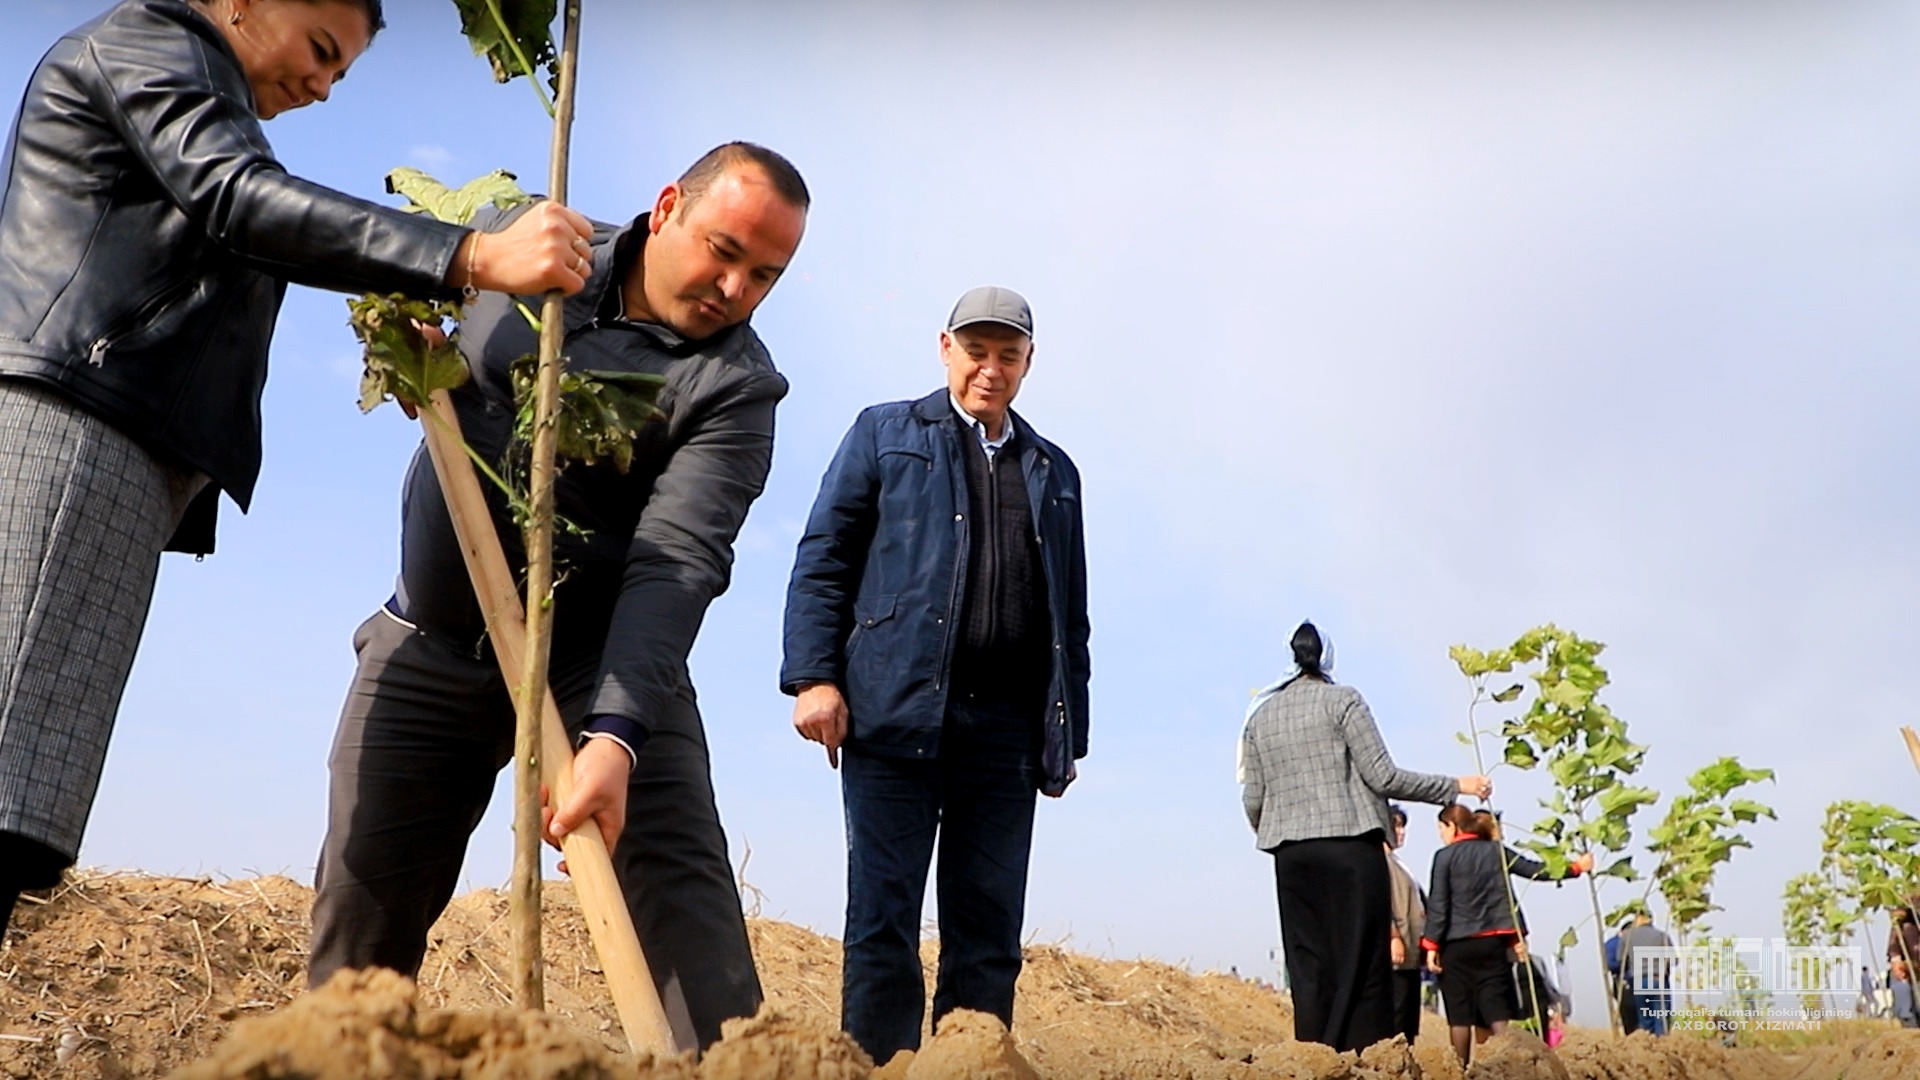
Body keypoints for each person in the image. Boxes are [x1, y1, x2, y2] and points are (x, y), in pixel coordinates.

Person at [0, 0, 593, 937]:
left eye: (339, 74)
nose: (320, 86)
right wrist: (469, 254)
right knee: (7, 787)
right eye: (320, 51)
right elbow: (242, 203)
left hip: (111, 447)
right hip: (76, 429)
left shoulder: (197, 90)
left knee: (23, 806)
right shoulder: (154, 42)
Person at [306, 143, 809, 1052]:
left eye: (765, 276)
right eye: (725, 252)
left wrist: (615, 735)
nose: (736, 289)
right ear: (668, 207)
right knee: (358, 938)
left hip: (596, 661)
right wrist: (412, 323)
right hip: (433, 638)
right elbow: (396, 257)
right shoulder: (526, 244)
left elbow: (676, 559)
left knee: (697, 949)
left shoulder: (736, 387)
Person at [780, 285, 1090, 1065]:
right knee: (883, 920)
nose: (990, 368)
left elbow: (1070, 615)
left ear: (1028, 363)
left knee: (989, 928)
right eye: (976, 351)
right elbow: (824, 557)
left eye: (1008, 355)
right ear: (945, 348)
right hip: (892, 713)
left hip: (1007, 732)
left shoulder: (1054, 471)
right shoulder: (884, 433)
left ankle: (969, 1068)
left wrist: (1068, 732)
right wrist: (813, 677)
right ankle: (878, 1070)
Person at [1239, 622, 1491, 1053]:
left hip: (1291, 856)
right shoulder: (1344, 700)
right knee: (1361, 963)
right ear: (1327, 657)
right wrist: (1455, 786)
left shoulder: (1260, 716)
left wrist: (1281, 831)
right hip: (1350, 847)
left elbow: (1252, 798)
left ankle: (1315, 1057)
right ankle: (1363, 1058)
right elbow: (1383, 776)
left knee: (1308, 964)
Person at [1422, 803, 1592, 1066]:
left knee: (1460, 1018)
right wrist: (1576, 868)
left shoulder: (1444, 857)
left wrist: (1431, 945)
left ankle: (1459, 1071)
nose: (1441, 834)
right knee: (1497, 1012)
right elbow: (1534, 869)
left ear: (1452, 827)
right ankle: (1509, 1067)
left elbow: (1438, 904)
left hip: (1455, 947)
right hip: (1492, 943)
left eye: (1441, 829)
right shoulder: (1496, 851)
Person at [1385, 805, 1426, 1045]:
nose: (1401, 832)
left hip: (1410, 950)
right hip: (1395, 953)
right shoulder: (1379, 862)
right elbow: (1380, 904)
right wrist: (1393, 937)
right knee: (1397, 1016)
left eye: (1402, 827)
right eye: (1396, 826)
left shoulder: (1399, 863)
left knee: (1408, 1019)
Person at [1617, 908, 1672, 1036]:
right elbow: (1673, 959)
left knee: (1645, 1019)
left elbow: (1620, 959)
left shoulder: (1627, 936)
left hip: (1639, 979)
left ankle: (1647, 1044)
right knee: (1661, 1018)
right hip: (1658, 978)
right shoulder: (1662, 936)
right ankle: (1662, 1044)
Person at [1892, 957, 1919, 1028]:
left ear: (1903, 974)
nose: (1894, 974)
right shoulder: (1912, 986)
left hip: (1906, 1016)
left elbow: (1897, 1005)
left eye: (1895, 972)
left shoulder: (1898, 987)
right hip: (1912, 1016)